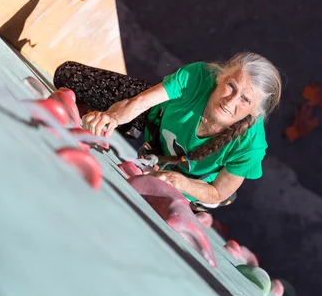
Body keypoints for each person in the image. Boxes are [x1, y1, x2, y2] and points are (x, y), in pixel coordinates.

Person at [53, 52, 282, 210]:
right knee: (68, 75)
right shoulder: (199, 77)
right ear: (221, 76)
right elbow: (141, 103)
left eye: (244, 99)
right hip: (154, 118)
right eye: (231, 86)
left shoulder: (251, 145)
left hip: (189, 178)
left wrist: (176, 181)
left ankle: (190, 198)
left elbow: (218, 191)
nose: (231, 101)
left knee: (194, 199)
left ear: (255, 112)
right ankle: (129, 128)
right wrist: (113, 117)